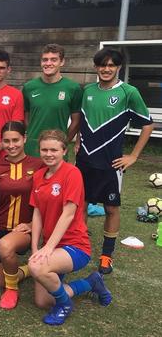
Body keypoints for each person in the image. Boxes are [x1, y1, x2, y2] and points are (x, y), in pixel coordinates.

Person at [76, 48, 154, 274]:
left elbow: (147, 124)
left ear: (119, 67)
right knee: (80, 204)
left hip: (112, 162)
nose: (106, 69)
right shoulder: (88, 90)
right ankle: (80, 247)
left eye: (111, 65)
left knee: (111, 207)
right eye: (102, 65)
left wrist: (134, 156)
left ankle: (106, 256)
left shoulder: (129, 92)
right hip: (85, 160)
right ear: (96, 67)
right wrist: (79, 140)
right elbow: (83, 118)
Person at [29, 130, 112, 325]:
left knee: (37, 267)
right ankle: (91, 283)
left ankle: (65, 305)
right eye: (44, 150)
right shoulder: (39, 175)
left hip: (75, 246)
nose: (48, 154)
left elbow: (68, 214)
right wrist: (35, 247)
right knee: (42, 301)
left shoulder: (72, 173)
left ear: (64, 151)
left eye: (54, 150)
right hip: (52, 244)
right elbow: (37, 213)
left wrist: (48, 247)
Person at [0, 121, 44, 309]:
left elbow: (45, 201)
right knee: (0, 281)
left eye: (16, 140)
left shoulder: (39, 165)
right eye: (6, 141)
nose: (11, 145)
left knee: (6, 246)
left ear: (24, 139)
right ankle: (26, 270)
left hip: (24, 230)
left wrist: (31, 224)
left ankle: (12, 290)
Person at [22, 44, 82, 157]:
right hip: (32, 150)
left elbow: (76, 121)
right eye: (45, 60)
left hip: (57, 151)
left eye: (53, 60)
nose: (48, 63)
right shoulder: (29, 87)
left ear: (62, 62)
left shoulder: (73, 88)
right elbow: (26, 118)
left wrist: (63, 142)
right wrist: (31, 137)